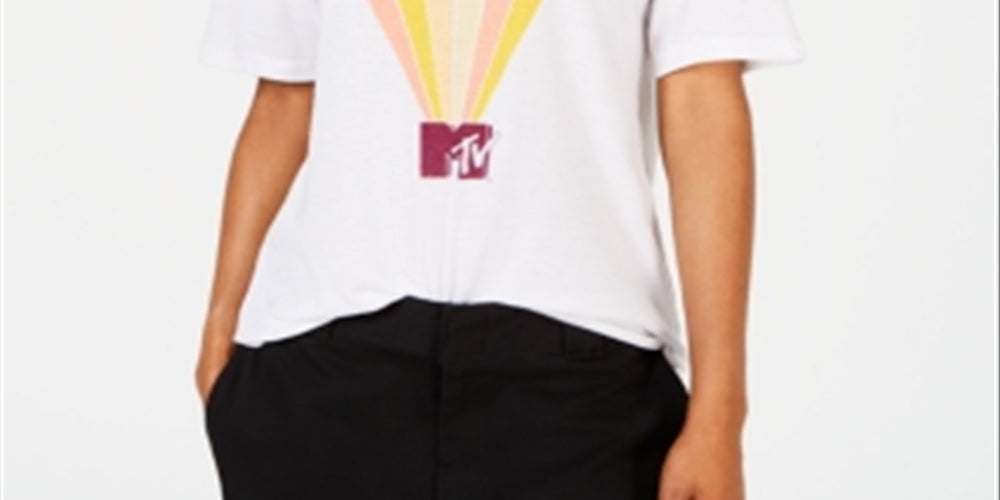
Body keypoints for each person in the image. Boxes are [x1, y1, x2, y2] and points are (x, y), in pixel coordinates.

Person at [193, 0, 804, 499]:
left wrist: (721, 411)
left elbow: (702, 94)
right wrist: (221, 329)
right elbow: (284, 96)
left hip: (581, 378)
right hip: (320, 364)